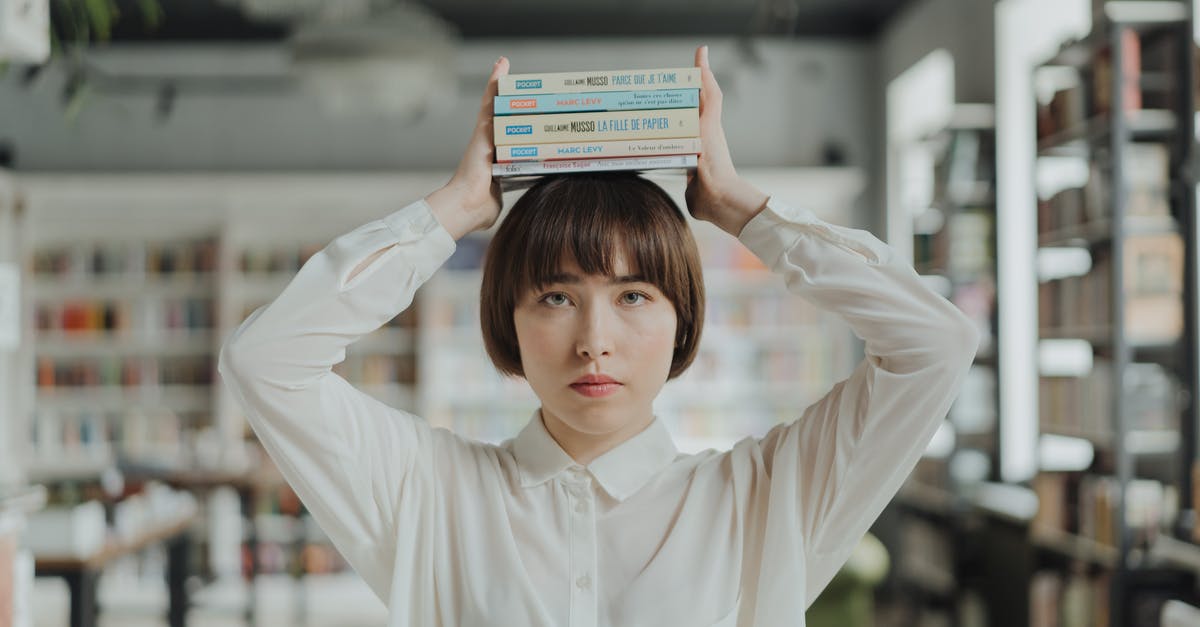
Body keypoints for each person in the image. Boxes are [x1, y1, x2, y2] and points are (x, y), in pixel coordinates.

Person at [218, 45, 979, 627]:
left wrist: (745, 209)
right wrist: (451, 211)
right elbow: (265, 359)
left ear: (682, 315)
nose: (594, 340)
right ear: (507, 317)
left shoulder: (764, 497)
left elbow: (934, 344)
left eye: (634, 295)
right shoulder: (429, 490)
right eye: (556, 295)